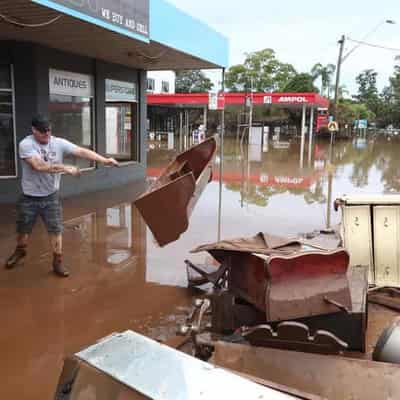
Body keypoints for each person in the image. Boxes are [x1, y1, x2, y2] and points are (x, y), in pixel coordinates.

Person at [4, 114, 119, 277]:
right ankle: (21, 250)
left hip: (51, 197)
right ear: (33, 130)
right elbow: (38, 165)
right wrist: (65, 168)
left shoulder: (58, 143)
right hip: (29, 197)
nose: (46, 135)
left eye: (48, 131)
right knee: (23, 230)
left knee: (55, 230)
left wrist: (104, 160)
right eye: (42, 132)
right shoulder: (26, 144)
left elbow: (81, 151)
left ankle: (57, 261)